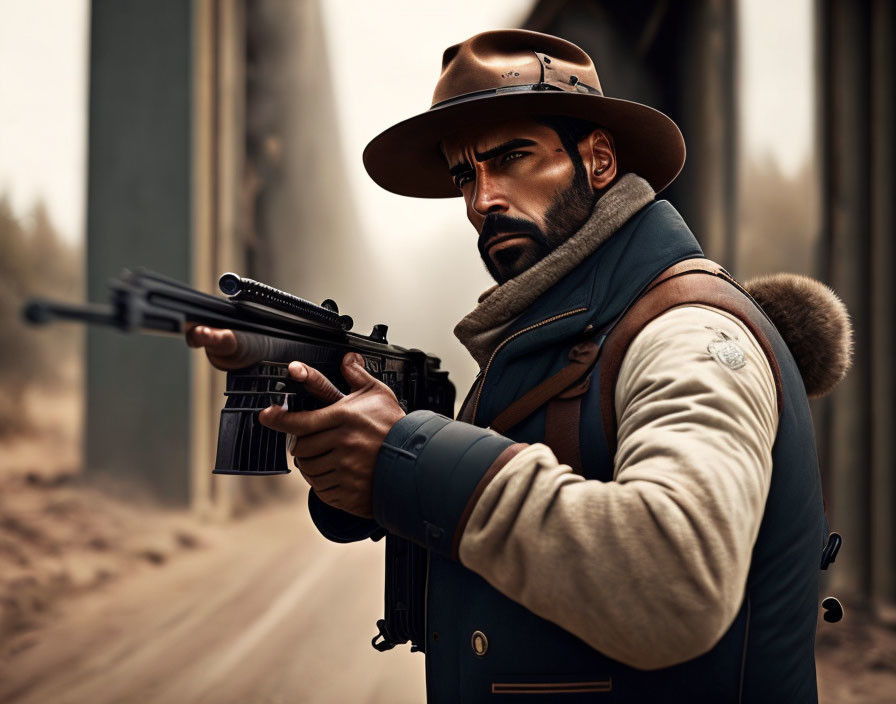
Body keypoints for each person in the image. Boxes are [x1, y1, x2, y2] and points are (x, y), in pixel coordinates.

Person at [188, 30, 850, 703]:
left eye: (511, 157)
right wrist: (357, 467)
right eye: (465, 175)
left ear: (596, 161)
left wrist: (405, 455)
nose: (483, 200)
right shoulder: (560, 330)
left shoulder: (685, 333)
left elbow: (676, 584)